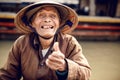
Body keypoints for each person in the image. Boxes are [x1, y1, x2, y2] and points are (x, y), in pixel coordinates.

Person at [0, 0, 91, 80]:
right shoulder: (21, 43)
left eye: (53, 16)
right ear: (32, 23)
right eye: (41, 15)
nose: (47, 20)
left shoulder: (70, 42)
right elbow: (7, 75)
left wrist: (64, 66)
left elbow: (86, 74)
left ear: (59, 23)